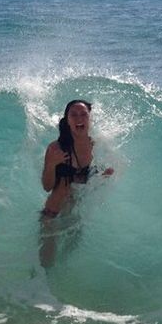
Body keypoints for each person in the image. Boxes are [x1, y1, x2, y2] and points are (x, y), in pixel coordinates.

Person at [38, 100, 115, 266]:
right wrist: (52, 164)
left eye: (83, 114)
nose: (79, 118)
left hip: (75, 214)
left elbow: (90, 181)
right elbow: (47, 186)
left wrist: (103, 177)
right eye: (73, 115)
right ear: (67, 120)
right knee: (46, 264)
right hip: (53, 213)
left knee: (67, 258)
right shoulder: (56, 148)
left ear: (89, 118)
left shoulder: (96, 146)